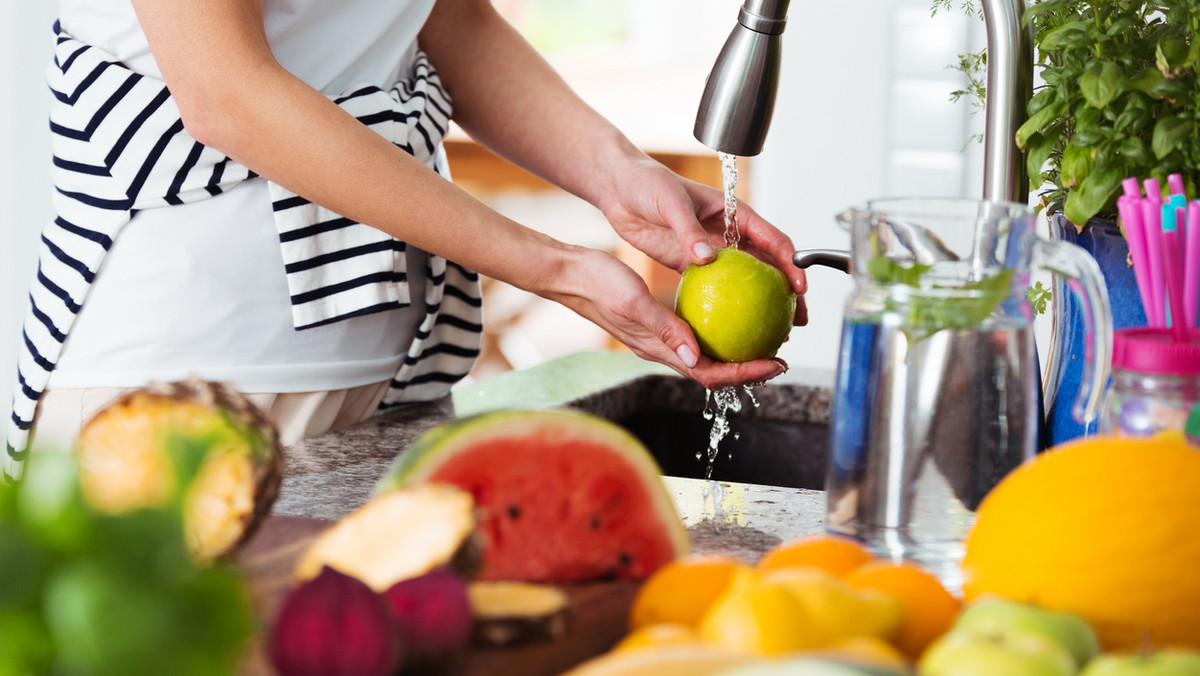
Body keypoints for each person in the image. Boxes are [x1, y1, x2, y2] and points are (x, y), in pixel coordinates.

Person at [5, 0, 808, 480]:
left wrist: (618, 174)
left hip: (393, 386)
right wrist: (555, 269)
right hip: (181, 388)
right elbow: (226, 94)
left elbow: (448, 16)